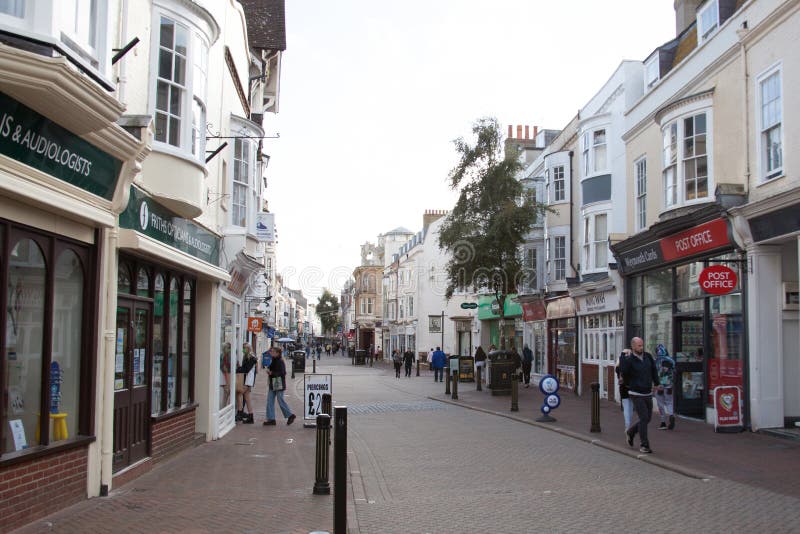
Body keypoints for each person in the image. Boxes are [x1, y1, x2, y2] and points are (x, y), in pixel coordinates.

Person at [619, 337, 659, 454]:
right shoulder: (629, 359)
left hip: (647, 391)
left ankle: (631, 432)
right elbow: (623, 371)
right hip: (635, 392)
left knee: (648, 418)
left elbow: (653, 370)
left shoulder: (648, 357)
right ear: (633, 347)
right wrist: (622, 357)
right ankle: (644, 445)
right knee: (644, 417)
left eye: (642, 345)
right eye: (639, 346)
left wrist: (656, 383)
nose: (641, 348)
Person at [264, 347, 296, 426]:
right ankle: (271, 419)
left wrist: (272, 373)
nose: (271, 353)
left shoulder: (280, 361)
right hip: (273, 382)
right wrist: (269, 370)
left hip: (278, 382)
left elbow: (282, 373)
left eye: (273, 352)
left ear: (277, 353)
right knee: (269, 401)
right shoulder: (274, 360)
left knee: (280, 400)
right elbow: (272, 368)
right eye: (271, 352)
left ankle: (290, 415)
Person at [654, 344, 676, 430]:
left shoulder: (656, 361)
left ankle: (663, 422)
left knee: (660, 404)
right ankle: (671, 415)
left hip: (659, 385)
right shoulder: (671, 360)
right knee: (669, 402)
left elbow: (653, 373)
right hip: (669, 385)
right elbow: (674, 371)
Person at [235, 343, 257, 424]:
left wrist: (238, 369)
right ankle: (250, 416)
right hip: (247, 380)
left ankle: (240, 413)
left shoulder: (251, 357)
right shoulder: (248, 356)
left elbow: (246, 369)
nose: (243, 349)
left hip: (247, 380)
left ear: (248, 348)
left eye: (244, 348)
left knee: (240, 393)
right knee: (246, 397)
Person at [615, 350, 633, 434]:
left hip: (623, 388)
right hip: (632, 387)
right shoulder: (632, 364)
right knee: (631, 407)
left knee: (626, 407)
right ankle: (629, 425)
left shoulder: (619, 366)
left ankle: (627, 425)